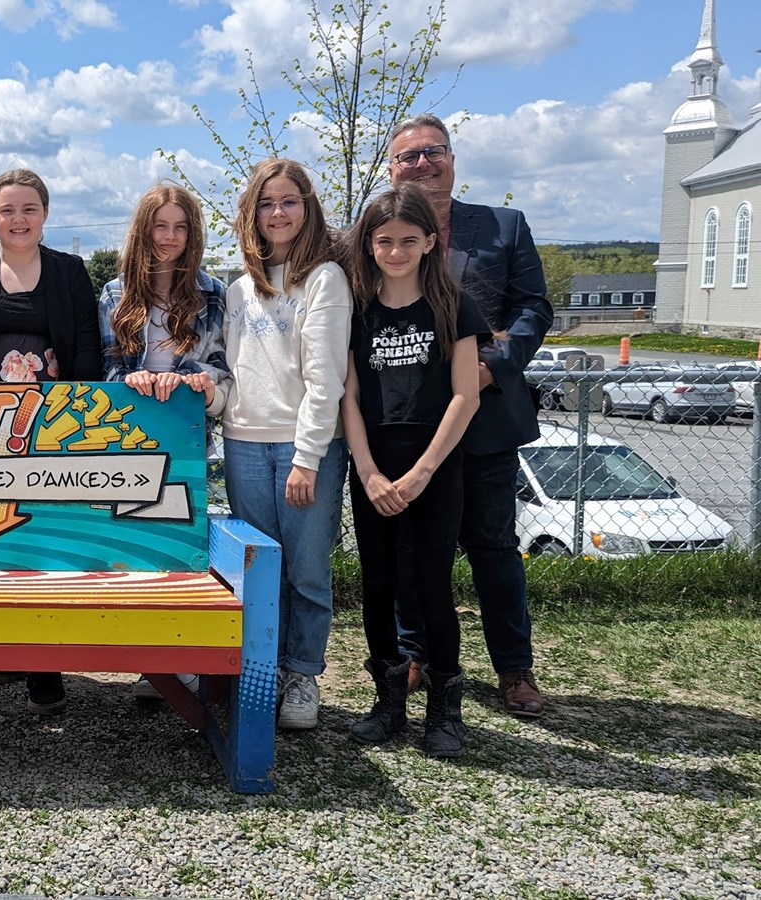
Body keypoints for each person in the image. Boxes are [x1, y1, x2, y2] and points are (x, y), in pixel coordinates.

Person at [388, 113, 552, 717]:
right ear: (392, 168)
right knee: (413, 546)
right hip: (407, 418)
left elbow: (533, 308)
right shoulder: (383, 229)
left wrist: (491, 365)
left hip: (484, 415)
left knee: (492, 547)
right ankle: (413, 656)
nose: (423, 163)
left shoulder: (504, 228)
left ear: (453, 159)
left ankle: (514, 670)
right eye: (409, 156)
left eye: (434, 151)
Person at [0, 168, 102, 715]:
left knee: (43, 543)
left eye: (29, 208)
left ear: (46, 214)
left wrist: (74, 424)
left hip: (51, 432)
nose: (18, 219)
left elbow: (86, 354)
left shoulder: (70, 272)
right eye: (7, 210)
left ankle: (45, 662)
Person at [341, 184, 487, 758]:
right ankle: (388, 703)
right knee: (377, 587)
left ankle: (445, 712)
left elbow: (466, 396)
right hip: (375, 468)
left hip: (434, 469)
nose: (395, 251)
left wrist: (424, 471)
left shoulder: (454, 306)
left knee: (430, 589)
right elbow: (348, 396)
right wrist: (370, 471)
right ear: (369, 245)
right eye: (383, 241)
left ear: (429, 241)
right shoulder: (357, 309)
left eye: (407, 240)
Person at [220, 159, 351, 731]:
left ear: (308, 207)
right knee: (256, 571)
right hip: (244, 444)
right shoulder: (239, 288)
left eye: (289, 201)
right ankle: (262, 668)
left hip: (303, 449)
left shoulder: (324, 278)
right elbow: (231, 370)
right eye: (266, 203)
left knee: (305, 570)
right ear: (252, 213)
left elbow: (326, 380)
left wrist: (307, 457)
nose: (278, 213)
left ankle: (302, 674)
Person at [96, 182, 229, 701]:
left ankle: (190, 664)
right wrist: (130, 381)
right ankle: (157, 661)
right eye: (160, 225)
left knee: (190, 547)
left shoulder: (213, 291)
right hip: (133, 434)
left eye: (180, 227)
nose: (169, 237)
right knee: (144, 550)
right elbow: (106, 371)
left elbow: (218, 366)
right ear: (143, 230)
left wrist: (185, 376)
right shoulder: (113, 292)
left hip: (191, 434)